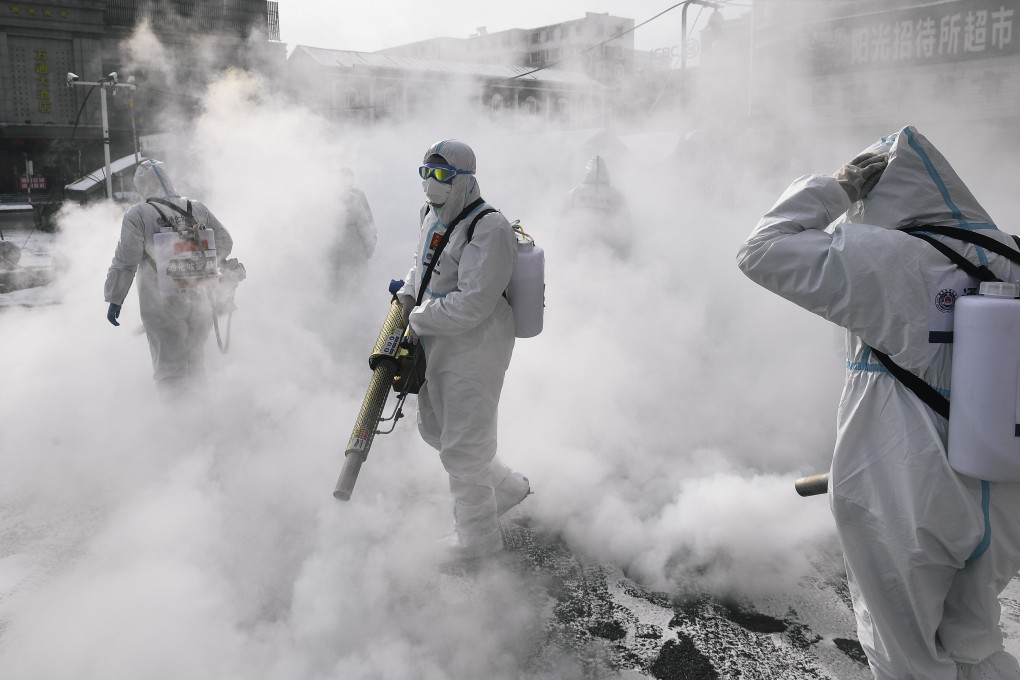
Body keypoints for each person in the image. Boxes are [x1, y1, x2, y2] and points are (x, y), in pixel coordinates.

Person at [736, 126, 1020, 679]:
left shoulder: (892, 256)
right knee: (976, 645)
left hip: (912, 500)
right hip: (1007, 496)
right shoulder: (1013, 254)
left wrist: (835, 189)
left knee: (907, 662)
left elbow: (763, 249)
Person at [396, 139, 530, 558]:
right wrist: (407, 293)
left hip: (476, 346)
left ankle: (477, 540)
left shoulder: (489, 227)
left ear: (465, 179)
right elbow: (424, 266)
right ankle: (506, 487)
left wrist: (417, 318)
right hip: (439, 339)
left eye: (441, 175)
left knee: (465, 446)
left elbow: (474, 302)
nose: (431, 184)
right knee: (434, 429)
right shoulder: (430, 215)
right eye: (425, 173)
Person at [104, 159, 233, 400]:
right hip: (200, 296)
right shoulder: (197, 208)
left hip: (163, 302)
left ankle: (178, 427)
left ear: (142, 186)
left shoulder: (139, 213)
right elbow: (225, 242)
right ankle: (202, 419)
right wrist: (202, 265)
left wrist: (115, 299)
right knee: (195, 362)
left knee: (170, 369)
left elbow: (126, 260)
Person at [564, 154, 632, 257]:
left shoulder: (575, 192)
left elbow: (563, 218)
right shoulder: (616, 195)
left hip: (581, 242)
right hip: (610, 245)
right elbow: (626, 224)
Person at [331, 167, 377, 288]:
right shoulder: (330, 199)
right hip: (341, 258)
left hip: (354, 256)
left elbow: (368, 225)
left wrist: (368, 250)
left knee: (350, 290)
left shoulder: (357, 196)